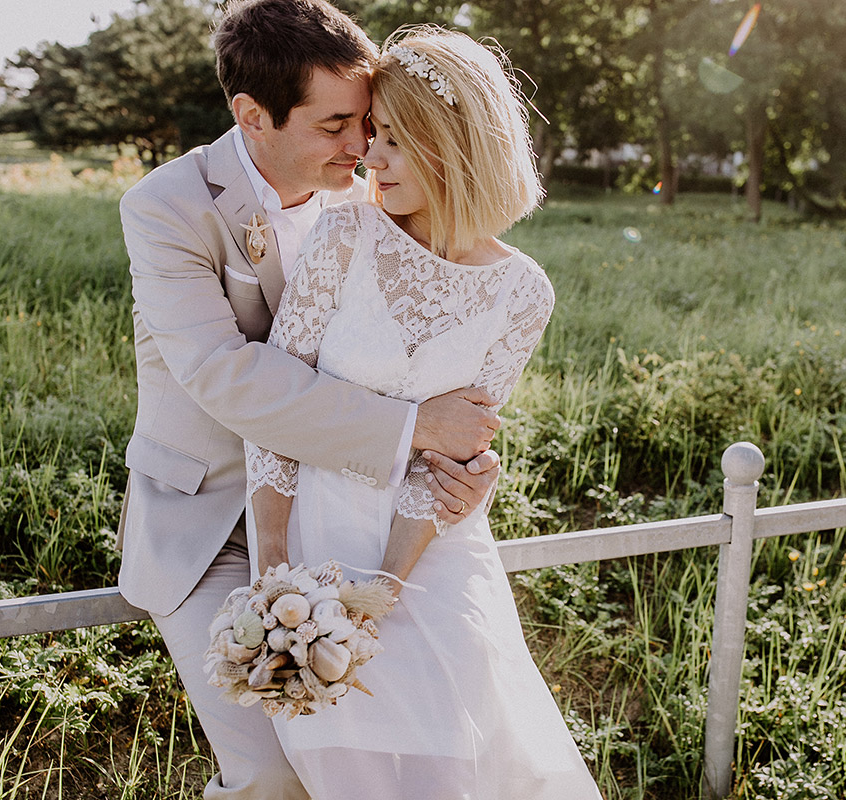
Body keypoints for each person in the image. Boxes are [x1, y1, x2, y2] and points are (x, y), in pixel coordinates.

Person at [116, 1, 502, 797]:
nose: (361, 147)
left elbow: (440, 359)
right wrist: (414, 429)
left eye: (367, 123)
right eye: (335, 127)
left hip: (351, 522)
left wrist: (467, 456)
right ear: (253, 117)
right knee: (273, 774)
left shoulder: (373, 205)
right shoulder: (166, 207)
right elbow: (225, 374)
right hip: (210, 528)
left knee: (387, 761)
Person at [244, 26, 602, 800]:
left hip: (430, 559)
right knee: (343, 774)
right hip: (315, 551)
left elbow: (453, 462)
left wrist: (381, 596)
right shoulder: (344, 235)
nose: (369, 159)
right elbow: (277, 407)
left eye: (396, 142)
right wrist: (275, 574)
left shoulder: (523, 293)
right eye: (373, 135)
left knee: (453, 768)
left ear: (458, 147)